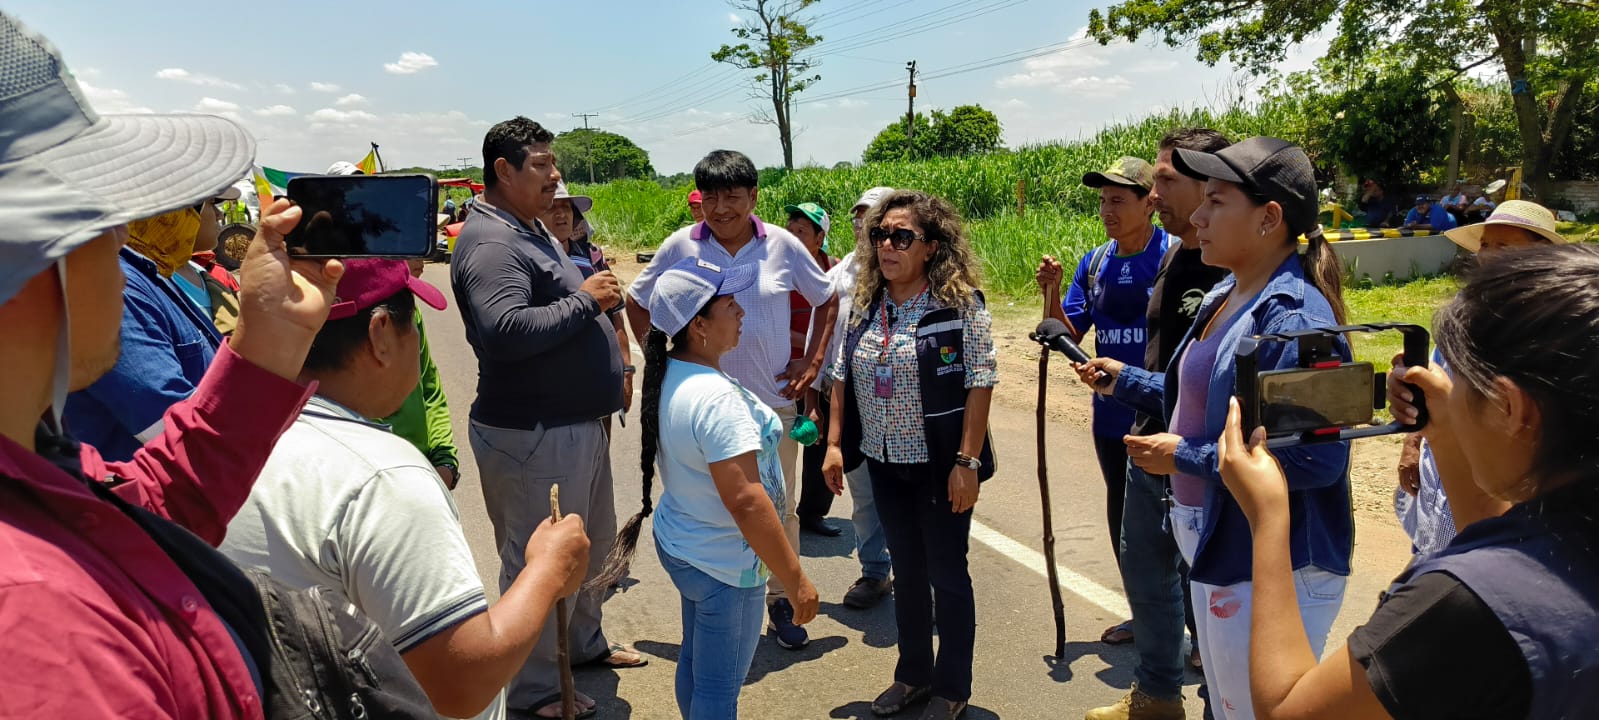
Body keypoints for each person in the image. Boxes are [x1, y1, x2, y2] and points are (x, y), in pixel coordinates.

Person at [0, 12, 346, 715]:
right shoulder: (41, 630)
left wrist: (266, 341)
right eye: (106, 218)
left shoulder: (33, 473)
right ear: (39, 258)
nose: (122, 250)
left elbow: (138, 513)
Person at [1219, 244, 1599, 720]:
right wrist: (1444, 431)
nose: (1449, 391)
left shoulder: (1461, 603)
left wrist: (1269, 517)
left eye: (1457, 377)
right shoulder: (1567, 542)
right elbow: (1504, 548)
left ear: (1511, 408)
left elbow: (1287, 711)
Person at [220, 259, 589, 720]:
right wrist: (549, 570)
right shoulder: (382, 476)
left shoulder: (220, 440)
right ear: (379, 335)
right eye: (412, 324)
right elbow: (462, 685)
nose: (417, 341)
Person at [1079, 137, 1353, 720]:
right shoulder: (1227, 292)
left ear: (1269, 218)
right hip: (1219, 542)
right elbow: (1192, 403)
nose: (1197, 215)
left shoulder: (1297, 319)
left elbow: (1316, 459)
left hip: (1274, 560)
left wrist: (1186, 457)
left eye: (1218, 202)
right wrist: (1124, 380)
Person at [452, 116, 639, 719]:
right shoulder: (491, 244)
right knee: (539, 563)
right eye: (541, 165)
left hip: (570, 426)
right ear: (502, 171)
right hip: (533, 434)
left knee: (588, 547)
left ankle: (582, 647)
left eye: (553, 163)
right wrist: (587, 301)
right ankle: (534, 692)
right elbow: (505, 331)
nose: (555, 176)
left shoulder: (526, 229)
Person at [626, 149, 837, 650]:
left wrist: (812, 364)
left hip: (770, 406)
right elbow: (637, 300)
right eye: (712, 197)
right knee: (712, 505)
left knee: (777, 507)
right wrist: (660, 358)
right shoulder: (681, 245)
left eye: (733, 197)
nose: (721, 208)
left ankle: (779, 603)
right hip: (702, 407)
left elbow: (828, 297)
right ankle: (716, 602)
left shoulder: (783, 246)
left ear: (753, 198)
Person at [823, 190, 997, 720]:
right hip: (883, 463)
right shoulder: (865, 306)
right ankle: (912, 675)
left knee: (947, 574)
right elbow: (841, 377)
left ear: (931, 247)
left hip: (941, 467)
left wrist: (967, 463)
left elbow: (980, 382)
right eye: (880, 235)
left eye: (902, 237)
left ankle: (952, 686)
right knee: (908, 573)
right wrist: (834, 443)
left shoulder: (959, 305)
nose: (887, 246)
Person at [1086, 128, 1233, 720]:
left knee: (1208, 584)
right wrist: (1126, 381)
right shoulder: (1177, 254)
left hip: (1193, 454)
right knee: (1146, 568)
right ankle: (1156, 696)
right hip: (1152, 440)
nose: (1155, 191)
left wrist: (1133, 384)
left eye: (1165, 179)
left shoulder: (1231, 268)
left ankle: (1213, 702)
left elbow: (1223, 397)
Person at [640, 256, 820, 719]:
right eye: (730, 304)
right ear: (699, 325)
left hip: (688, 544)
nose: (742, 311)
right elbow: (745, 499)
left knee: (697, 664)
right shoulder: (716, 399)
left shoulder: (673, 371)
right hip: (725, 566)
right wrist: (795, 579)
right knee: (718, 695)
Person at [1037, 155, 1177, 647]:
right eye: (1102, 200)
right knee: (1125, 520)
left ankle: (1201, 632)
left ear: (1149, 203)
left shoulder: (1177, 257)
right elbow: (1067, 330)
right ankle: (1146, 616)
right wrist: (1052, 294)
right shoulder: (1096, 263)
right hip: (1112, 417)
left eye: (1119, 199)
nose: (1107, 209)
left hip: (1169, 412)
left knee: (1183, 519)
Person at [1392, 200, 1568, 555]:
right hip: (1440, 474)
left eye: (1503, 247)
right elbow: (1434, 373)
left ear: (1541, 254)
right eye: (1485, 246)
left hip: (1495, 492)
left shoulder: (1550, 327)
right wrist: (1413, 442)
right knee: (1433, 554)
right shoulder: (1462, 308)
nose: (1487, 257)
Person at [62, 200, 226, 461]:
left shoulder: (151, 273)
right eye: (198, 204)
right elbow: (175, 433)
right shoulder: (114, 285)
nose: (218, 214)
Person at [825, 186, 899, 609]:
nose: (864, 227)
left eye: (873, 218)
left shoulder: (914, 274)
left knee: (910, 496)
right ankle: (875, 572)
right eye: (859, 219)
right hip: (852, 399)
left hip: (905, 406)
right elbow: (828, 338)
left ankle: (920, 580)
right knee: (865, 492)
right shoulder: (841, 275)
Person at [541, 180, 634, 433]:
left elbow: (616, 314)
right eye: (552, 208)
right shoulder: (531, 259)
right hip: (556, 390)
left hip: (600, 380)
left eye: (566, 208)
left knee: (600, 457)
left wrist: (627, 370)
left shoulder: (592, 256)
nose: (561, 214)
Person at [372, 258, 461, 488]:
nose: (419, 258)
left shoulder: (412, 312)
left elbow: (430, 387)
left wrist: (445, 462)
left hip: (425, 471)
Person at [786, 201, 842, 537]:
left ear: (819, 239)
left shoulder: (833, 271)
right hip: (781, 369)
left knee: (818, 443)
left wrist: (813, 349)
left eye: (801, 232)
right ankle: (778, 510)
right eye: (789, 230)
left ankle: (812, 513)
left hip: (819, 373)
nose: (792, 238)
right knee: (778, 440)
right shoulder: (776, 268)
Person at [174, 189, 243, 335]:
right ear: (183, 211)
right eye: (211, 203)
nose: (219, 214)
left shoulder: (202, 273)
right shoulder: (140, 283)